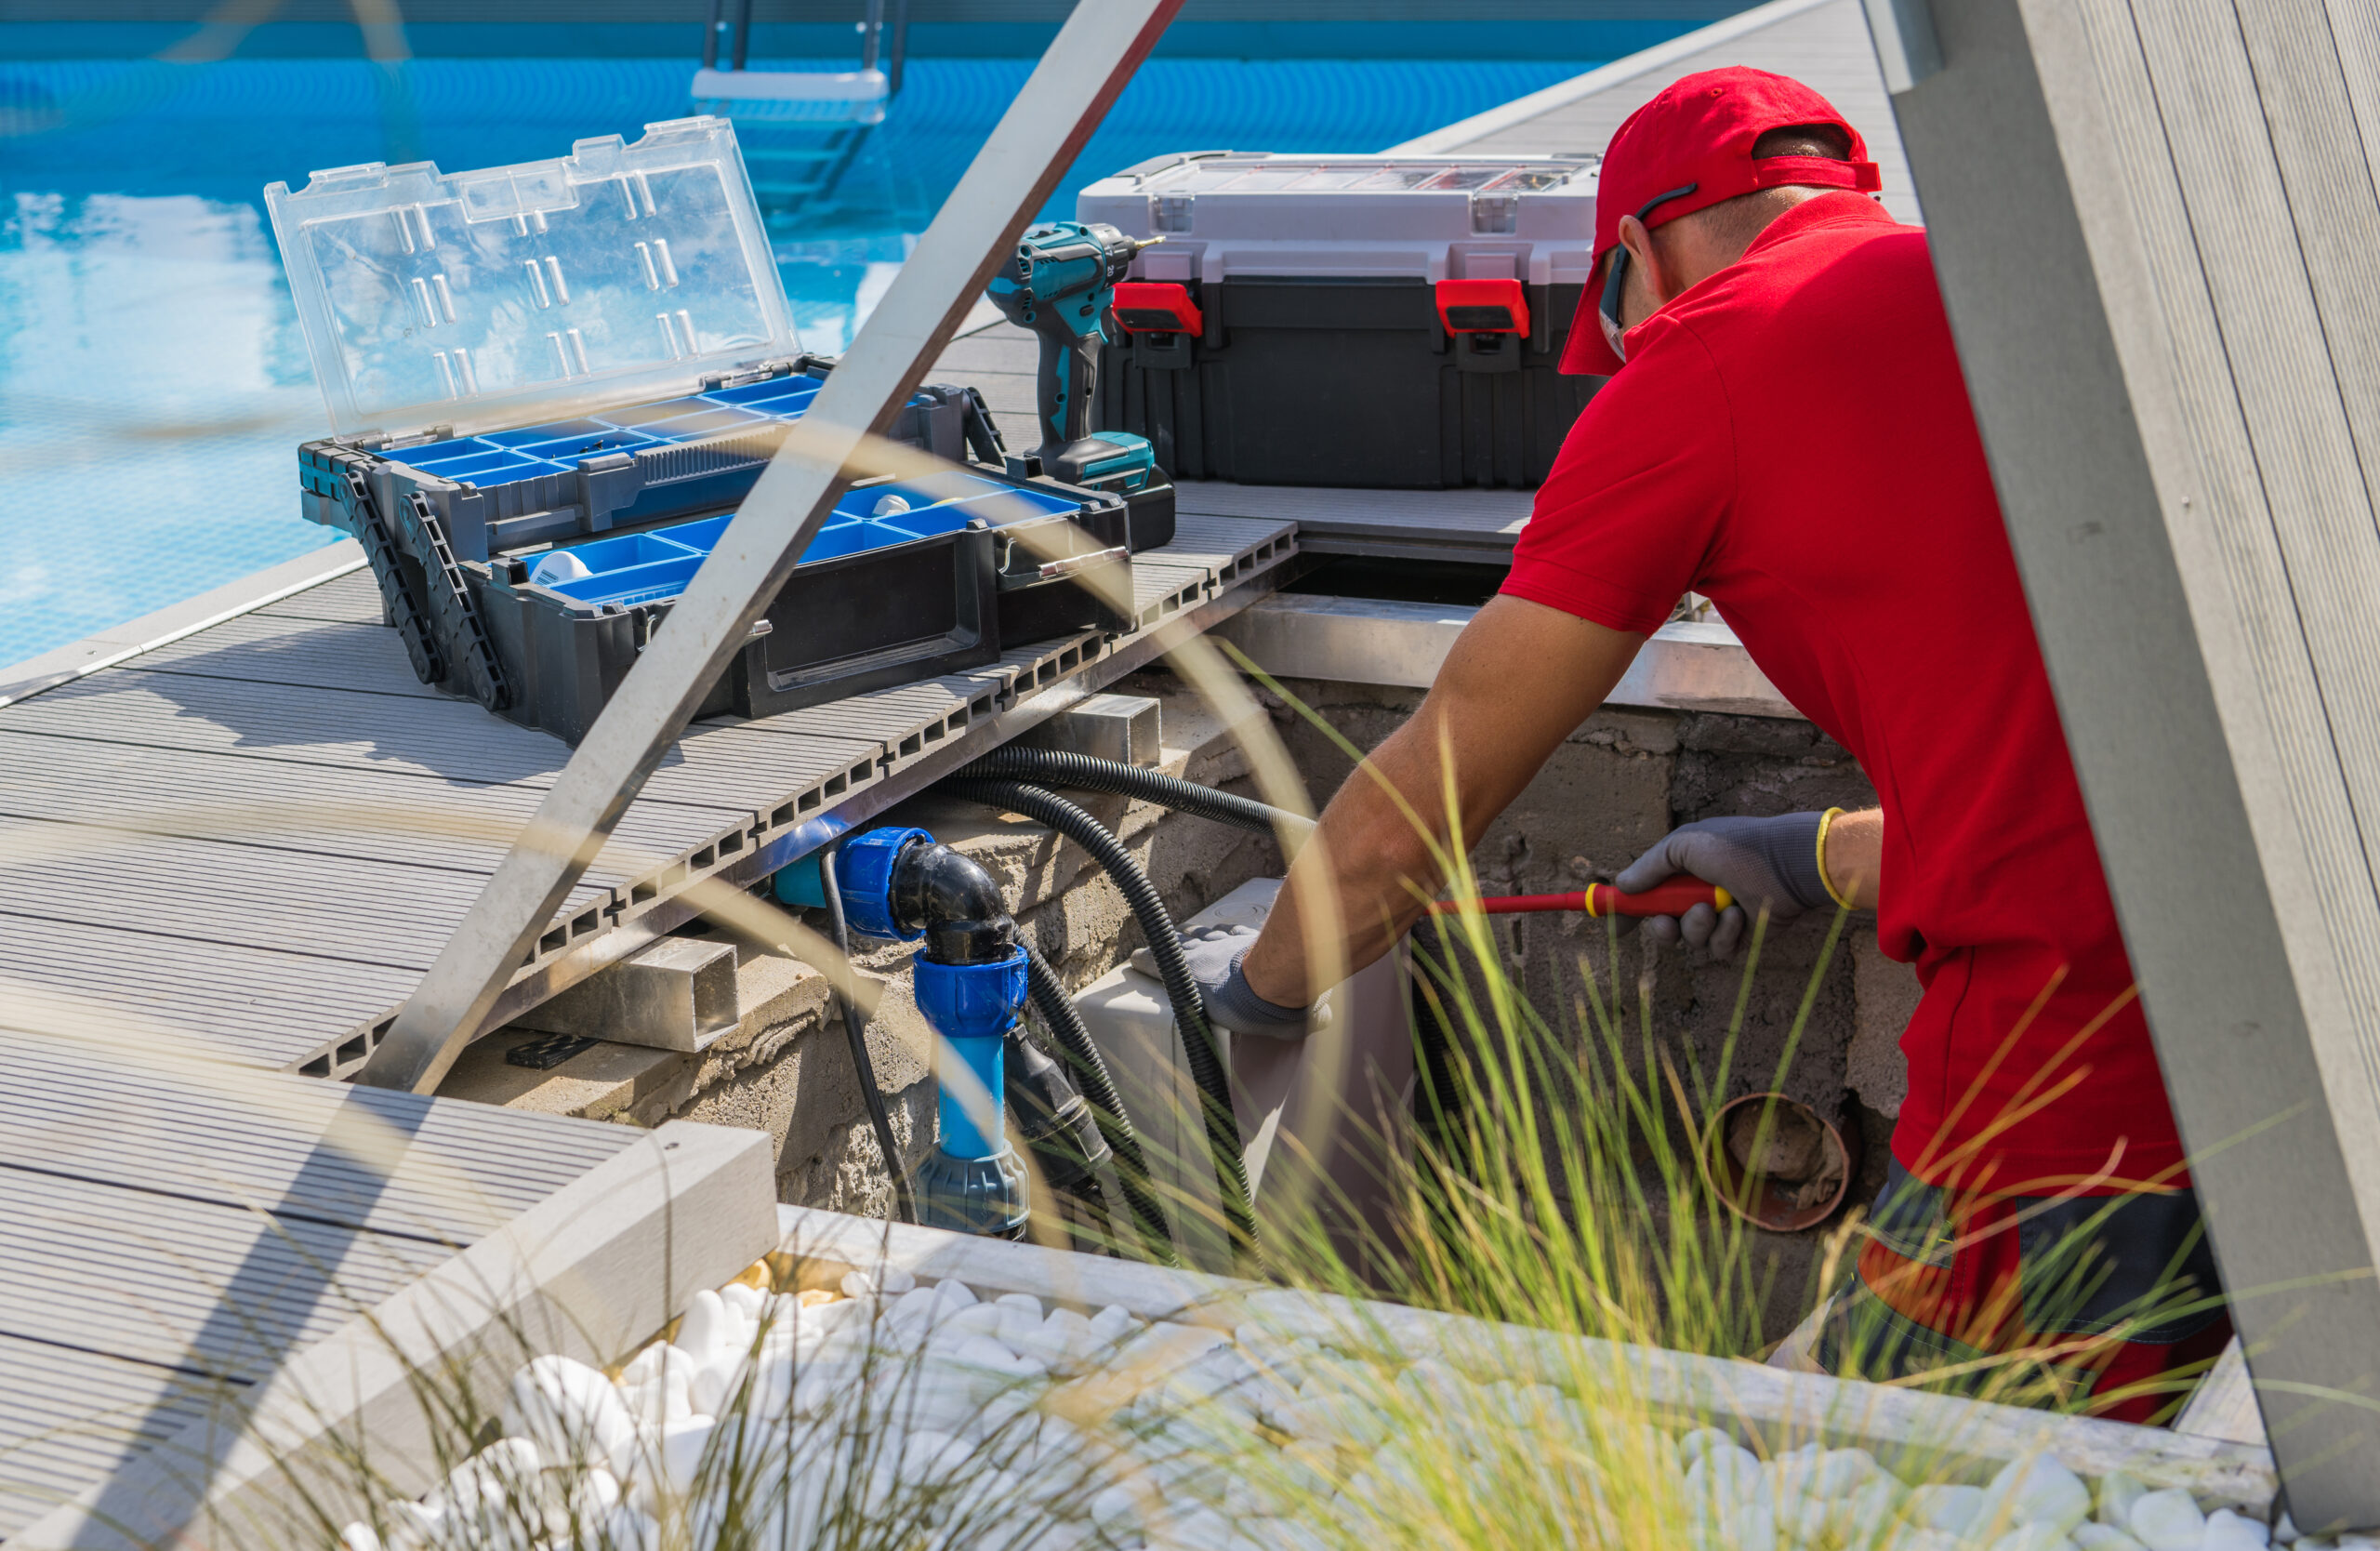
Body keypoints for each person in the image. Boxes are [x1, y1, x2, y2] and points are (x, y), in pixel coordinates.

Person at [1190, 66, 2229, 1419]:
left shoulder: (1708, 354)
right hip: (2284, 995)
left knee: (1846, 1469)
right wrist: (1801, 855)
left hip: (2073, 1067)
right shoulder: (2002, 286)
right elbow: (2050, 740)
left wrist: (1258, 993)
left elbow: (1417, 813)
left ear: (1634, 253)